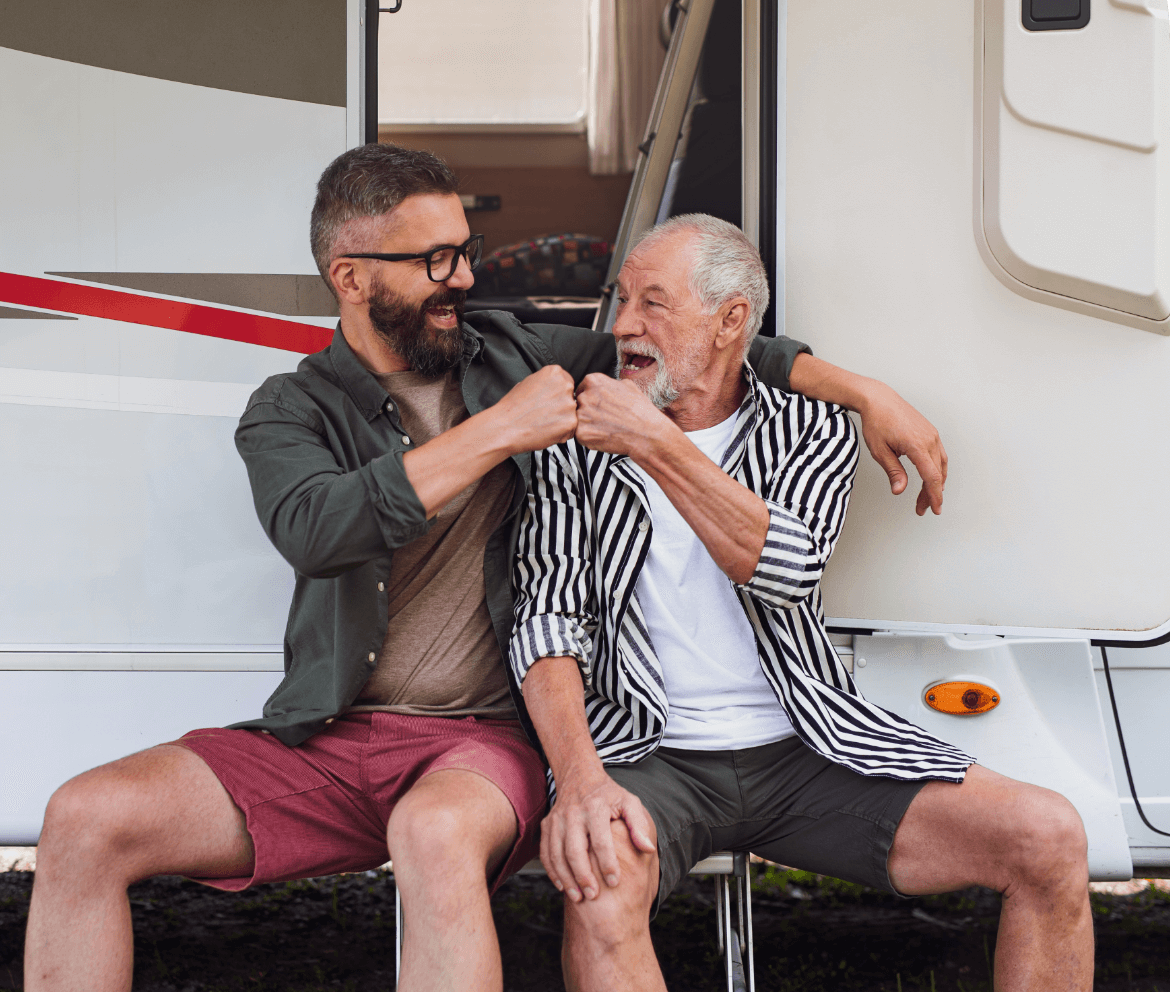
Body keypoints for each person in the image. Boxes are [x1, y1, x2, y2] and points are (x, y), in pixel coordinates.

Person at [25, 146, 951, 992]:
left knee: (431, 836)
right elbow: (317, 530)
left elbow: (707, 346)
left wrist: (864, 391)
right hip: (332, 734)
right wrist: (497, 432)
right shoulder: (289, 408)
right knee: (83, 817)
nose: (462, 278)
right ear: (350, 278)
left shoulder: (512, 350)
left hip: (482, 737)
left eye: (465, 251)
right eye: (434, 260)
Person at [513, 214, 1093, 992]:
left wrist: (654, 441)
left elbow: (785, 568)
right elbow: (546, 621)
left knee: (1049, 835)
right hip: (648, 755)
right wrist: (580, 780)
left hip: (806, 748)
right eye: (623, 300)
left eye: (653, 303)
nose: (623, 326)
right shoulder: (571, 440)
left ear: (731, 322)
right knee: (600, 884)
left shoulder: (810, 427)